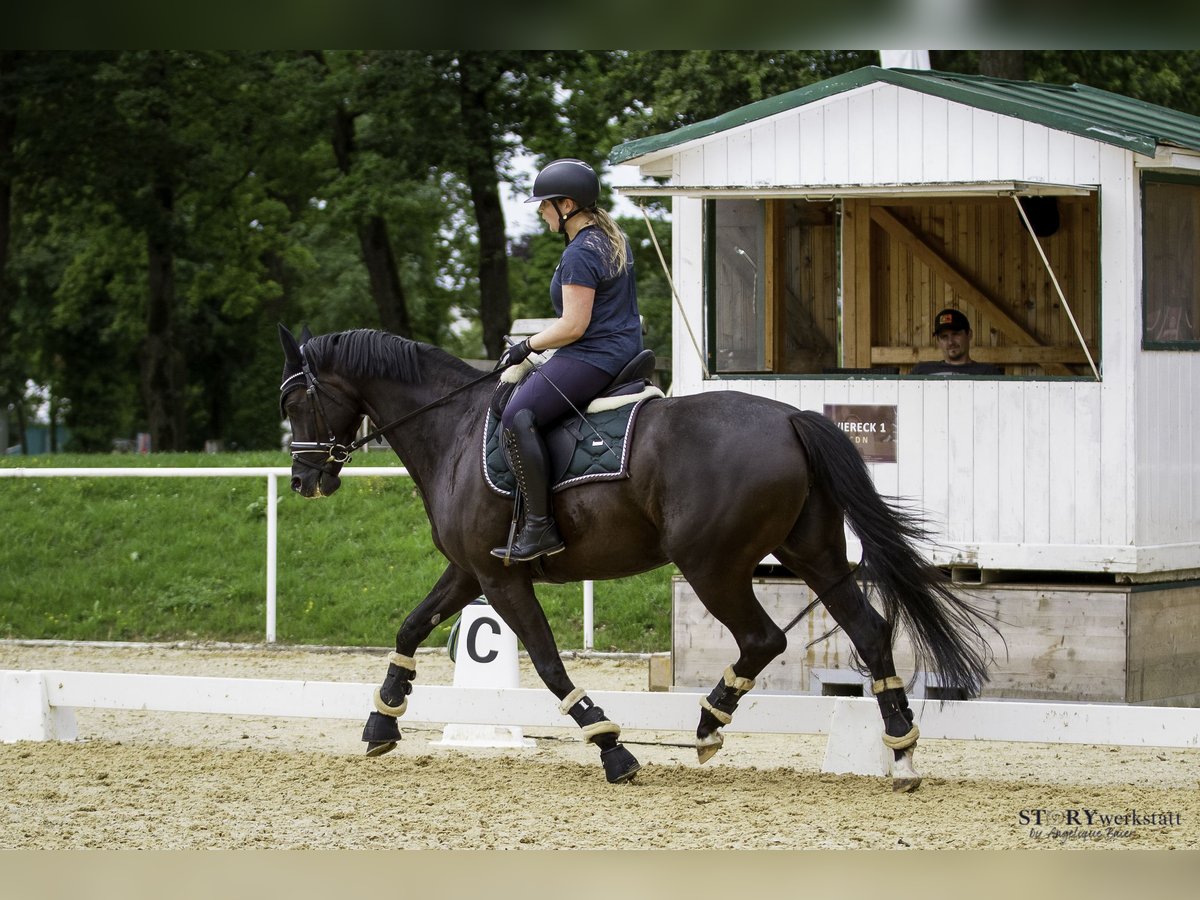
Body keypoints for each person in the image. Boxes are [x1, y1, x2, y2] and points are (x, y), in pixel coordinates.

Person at [490, 158, 644, 563]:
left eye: (545, 204)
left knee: (518, 414)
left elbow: (574, 325)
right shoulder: (611, 239)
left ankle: (540, 527)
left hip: (594, 354)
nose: (541, 211)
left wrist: (526, 347)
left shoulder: (580, 253)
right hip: (622, 348)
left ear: (567, 205)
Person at [911, 308, 1003, 375]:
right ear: (938, 341)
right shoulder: (921, 371)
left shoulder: (988, 373)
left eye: (955, 334)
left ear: (969, 334)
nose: (950, 342)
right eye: (944, 337)